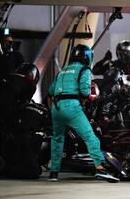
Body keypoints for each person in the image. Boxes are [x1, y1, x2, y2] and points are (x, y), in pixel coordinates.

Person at [48, 44, 119, 183]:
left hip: (56, 108)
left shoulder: (62, 70)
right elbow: (85, 91)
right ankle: (100, 169)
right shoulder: (84, 69)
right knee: (91, 138)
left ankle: (53, 173)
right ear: (87, 57)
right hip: (71, 107)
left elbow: (51, 91)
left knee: (57, 139)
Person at [0, 63, 43, 179]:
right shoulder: (28, 84)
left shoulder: (7, 78)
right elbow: (23, 104)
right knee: (34, 171)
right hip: (12, 121)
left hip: (3, 119)